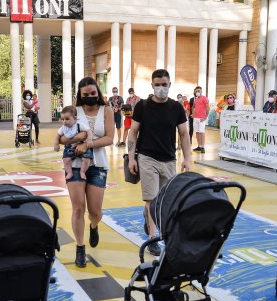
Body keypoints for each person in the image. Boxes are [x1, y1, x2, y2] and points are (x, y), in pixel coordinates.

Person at [127, 69, 191, 256]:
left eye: (164, 84)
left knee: (166, 201)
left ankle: (151, 221)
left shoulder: (177, 108)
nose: (161, 88)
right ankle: (153, 240)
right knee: (151, 200)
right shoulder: (142, 106)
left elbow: (184, 134)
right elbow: (133, 132)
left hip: (169, 160)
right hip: (147, 158)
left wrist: (187, 159)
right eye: (157, 84)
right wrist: (132, 158)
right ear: (152, 85)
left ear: (170, 85)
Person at [60, 77, 114, 268]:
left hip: (98, 164)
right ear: (80, 96)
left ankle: (94, 225)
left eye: (93, 93)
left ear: (98, 92)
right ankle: (80, 248)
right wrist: (79, 140)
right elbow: (63, 137)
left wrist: (88, 143)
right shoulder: (75, 112)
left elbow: (109, 138)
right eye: (86, 95)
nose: (90, 97)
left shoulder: (107, 111)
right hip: (74, 163)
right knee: (77, 208)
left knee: (95, 211)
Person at [54, 105, 93, 180]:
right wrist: (56, 144)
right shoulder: (63, 128)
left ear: (75, 118)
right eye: (62, 119)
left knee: (86, 159)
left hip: (81, 145)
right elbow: (57, 136)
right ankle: (69, 172)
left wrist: (89, 139)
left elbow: (88, 131)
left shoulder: (79, 125)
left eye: (67, 119)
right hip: (69, 147)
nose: (64, 121)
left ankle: (82, 171)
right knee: (66, 160)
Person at [190, 86, 210, 153]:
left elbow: (207, 108)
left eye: (198, 91)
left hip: (202, 118)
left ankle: (203, 147)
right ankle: (199, 146)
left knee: (201, 132)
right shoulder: (196, 99)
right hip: (196, 118)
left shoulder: (204, 98)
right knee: (197, 132)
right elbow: (193, 107)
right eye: (196, 91)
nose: (197, 92)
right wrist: (193, 114)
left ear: (201, 91)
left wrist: (205, 117)